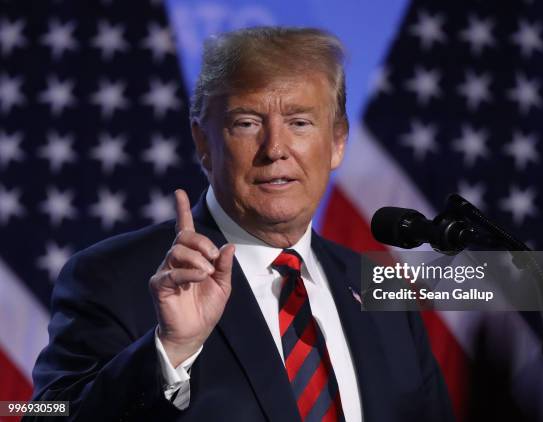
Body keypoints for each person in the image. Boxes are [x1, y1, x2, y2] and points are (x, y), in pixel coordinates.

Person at [30, 27, 454, 421]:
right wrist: (170, 351)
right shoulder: (112, 277)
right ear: (203, 143)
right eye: (247, 123)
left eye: (299, 123)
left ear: (337, 142)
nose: (275, 149)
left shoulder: (381, 288)